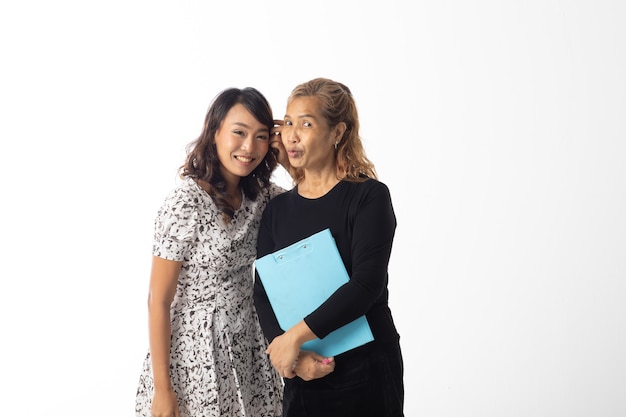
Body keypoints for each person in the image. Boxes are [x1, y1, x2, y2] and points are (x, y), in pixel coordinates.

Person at [253, 77, 404, 416]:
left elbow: (367, 285)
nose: (292, 135)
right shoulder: (277, 209)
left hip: (367, 367)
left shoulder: (369, 196)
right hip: (303, 373)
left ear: (338, 132)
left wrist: (294, 338)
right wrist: (292, 355)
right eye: (287, 123)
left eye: (305, 124)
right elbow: (263, 292)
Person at [135, 87, 289, 417]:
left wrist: (286, 156)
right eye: (239, 132)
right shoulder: (184, 203)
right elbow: (158, 300)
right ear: (215, 131)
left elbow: (309, 201)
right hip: (194, 355)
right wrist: (163, 390)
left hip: (248, 345)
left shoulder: (264, 198)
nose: (249, 147)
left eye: (261, 136)